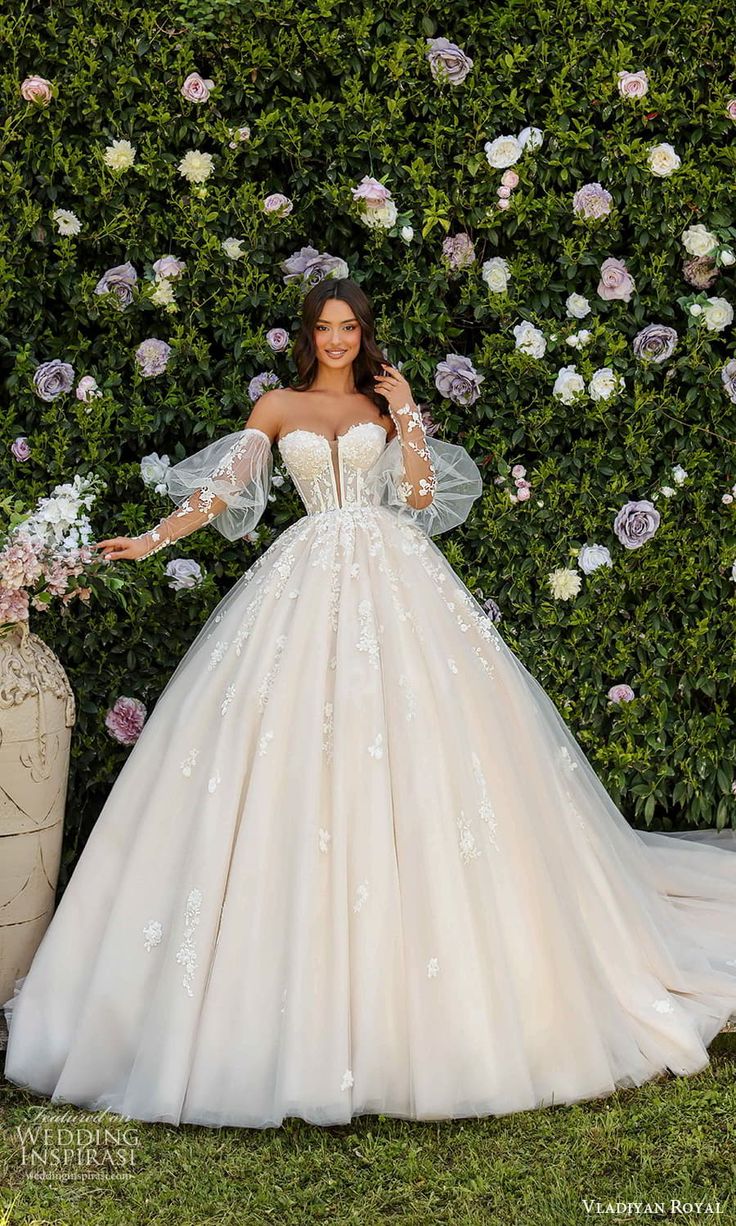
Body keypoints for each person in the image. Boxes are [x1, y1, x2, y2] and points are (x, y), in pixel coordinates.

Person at [3, 278, 735, 1130]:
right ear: (308, 336)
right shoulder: (278, 405)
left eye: (351, 328)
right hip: (303, 582)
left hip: (398, 584)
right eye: (326, 328)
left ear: (365, 334)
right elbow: (223, 494)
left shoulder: (388, 406)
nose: (339, 340)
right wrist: (152, 538)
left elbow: (421, 500)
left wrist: (413, 412)